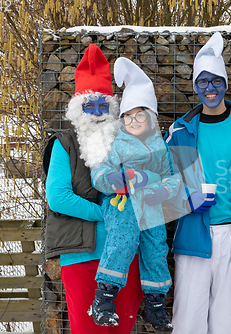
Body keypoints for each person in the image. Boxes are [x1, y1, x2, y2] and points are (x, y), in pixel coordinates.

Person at [164, 32, 231, 334]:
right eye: (203, 82)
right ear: (195, 85)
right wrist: (187, 200)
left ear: (225, 83)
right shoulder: (179, 132)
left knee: (224, 325)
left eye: (216, 81)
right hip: (193, 237)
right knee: (187, 323)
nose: (209, 88)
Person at [43, 44, 143, 334]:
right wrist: (105, 213)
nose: (98, 113)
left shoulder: (124, 140)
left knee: (122, 328)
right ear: (78, 109)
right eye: (90, 106)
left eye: (103, 105)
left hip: (124, 256)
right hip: (81, 256)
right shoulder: (64, 143)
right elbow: (58, 197)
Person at [88, 57, 181, 332]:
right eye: (129, 115)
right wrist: (113, 179)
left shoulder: (160, 148)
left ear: (151, 117)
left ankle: (154, 303)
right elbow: (99, 174)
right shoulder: (117, 145)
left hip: (151, 206)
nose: (134, 120)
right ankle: (104, 297)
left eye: (141, 115)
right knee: (124, 238)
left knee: (155, 246)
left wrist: (164, 190)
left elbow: (172, 179)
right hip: (123, 204)